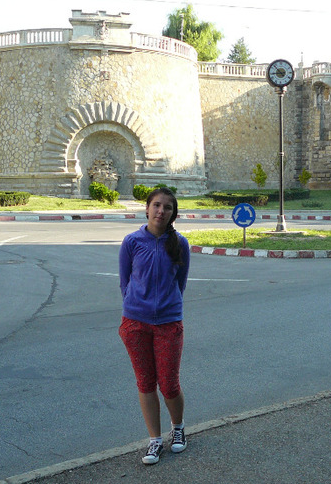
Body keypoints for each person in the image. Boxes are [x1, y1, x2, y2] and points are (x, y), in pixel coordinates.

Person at [118, 187, 191, 465]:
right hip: (135, 324)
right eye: (157, 205)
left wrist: (167, 307)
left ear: (173, 214)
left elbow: (180, 282)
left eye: (168, 207)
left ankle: (179, 428)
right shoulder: (132, 242)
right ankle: (155, 440)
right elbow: (125, 281)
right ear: (147, 209)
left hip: (168, 324)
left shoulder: (180, 243)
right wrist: (137, 307)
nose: (161, 211)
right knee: (146, 383)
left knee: (169, 384)